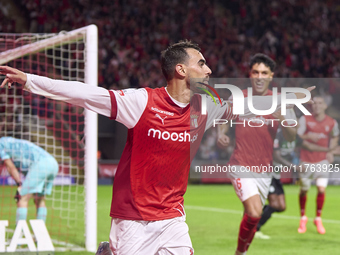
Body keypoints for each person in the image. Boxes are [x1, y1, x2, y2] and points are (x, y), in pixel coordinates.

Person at [0, 41, 310, 255]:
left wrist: (289, 101)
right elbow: (84, 94)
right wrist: (30, 80)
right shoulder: (141, 102)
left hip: (173, 217)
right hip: (133, 219)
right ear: (181, 71)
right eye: (201, 63)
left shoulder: (208, 105)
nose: (209, 70)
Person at [217, 53, 298, 254]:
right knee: (254, 213)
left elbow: (291, 136)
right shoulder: (238, 97)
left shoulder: (280, 101)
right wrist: (221, 134)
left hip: (264, 170)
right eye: (255, 72)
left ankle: (241, 252)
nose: (259, 76)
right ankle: (239, 253)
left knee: (252, 218)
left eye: (264, 73)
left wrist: (284, 119)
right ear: (250, 74)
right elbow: (224, 120)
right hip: (240, 164)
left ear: (271, 76)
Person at [255, 126, 330, 239]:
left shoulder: (295, 136)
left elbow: (308, 146)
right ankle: (255, 228)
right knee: (274, 204)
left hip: (275, 175)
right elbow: (276, 156)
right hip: (265, 172)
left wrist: (328, 150)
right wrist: (294, 167)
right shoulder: (278, 134)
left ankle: (253, 214)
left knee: (281, 206)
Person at [297, 95, 339, 235]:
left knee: (321, 189)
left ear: (325, 106)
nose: (317, 105)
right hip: (306, 160)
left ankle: (318, 218)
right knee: (304, 190)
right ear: (311, 106)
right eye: (314, 103)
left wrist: (331, 151)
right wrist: (308, 136)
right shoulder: (305, 119)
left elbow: (335, 136)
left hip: (322, 160)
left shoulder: (332, 122)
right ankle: (303, 217)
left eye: (320, 103)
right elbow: (297, 136)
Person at [0, 136, 59, 224]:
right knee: (40, 199)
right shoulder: (9, 141)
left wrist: (19, 184)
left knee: (22, 198)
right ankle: (40, 234)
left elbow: (10, 167)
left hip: (41, 164)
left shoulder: (1, 144)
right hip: (53, 163)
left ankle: (19, 234)